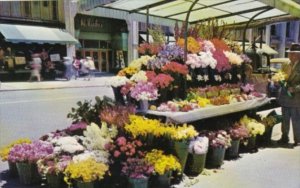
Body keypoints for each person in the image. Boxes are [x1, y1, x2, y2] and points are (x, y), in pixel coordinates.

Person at [278, 43, 300, 147]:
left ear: (298, 55)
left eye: (292, 54)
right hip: (285, 96)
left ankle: (298, 139)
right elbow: (280, 75)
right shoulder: (286, 64)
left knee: (296, 120)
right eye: (290, 53)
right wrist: (278, 80)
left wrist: (295, 89)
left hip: (296, 98)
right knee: (284, 119)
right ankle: (284, 137)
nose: (290, 55)